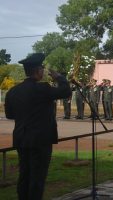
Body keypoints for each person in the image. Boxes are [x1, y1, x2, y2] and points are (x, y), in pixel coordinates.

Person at [4, 53, 71, 200]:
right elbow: (66, 91)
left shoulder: (13, 91)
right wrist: (59, 77)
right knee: (37, 178)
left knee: (24, 175)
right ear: (38, 71)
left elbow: (9, 115)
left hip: (22, 138)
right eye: (42, 68)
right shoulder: (43, 89)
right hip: (40, 140)